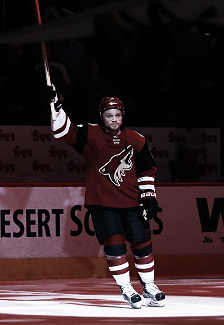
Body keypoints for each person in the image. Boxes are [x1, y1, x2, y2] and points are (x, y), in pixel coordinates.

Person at [48, 88, 165, 309]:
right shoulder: (89, 135)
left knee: (142, 243)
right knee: (115, 244)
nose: (114, 119)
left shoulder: (136, 139)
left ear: (123, 116)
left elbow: (147, 169)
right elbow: (62, 132)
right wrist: (56, 106)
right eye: (109, 115)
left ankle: (149, 285)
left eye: (117, 115)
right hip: (102, 203)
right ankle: (127, 288)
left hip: (132, 201)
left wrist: (149, 197)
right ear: (101, 116)